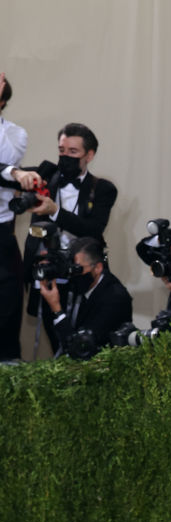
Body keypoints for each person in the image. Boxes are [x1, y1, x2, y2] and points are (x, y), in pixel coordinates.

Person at [22, 122, 118, 352]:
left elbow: (93, 229)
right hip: (47, 273)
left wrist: (55, 211)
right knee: (54, 337)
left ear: (89, 155)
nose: (65, 157)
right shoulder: (45, 177)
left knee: (80, 343)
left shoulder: (103, 189)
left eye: (73, 152)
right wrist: (18, 174)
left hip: (81, 276)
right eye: (61, 151)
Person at [37, 236, 132, 358]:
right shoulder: (77, 285)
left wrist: (57, 310)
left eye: (78, 269)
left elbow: (81, 348)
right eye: (71, 268)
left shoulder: (115, 298)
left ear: (97, 268)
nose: (73, 275)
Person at [0, 72, 27, 361]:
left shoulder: (16, 134)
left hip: (2, 232)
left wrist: (13, 172)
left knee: (7, 310)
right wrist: (13, 173)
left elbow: (5, 163)